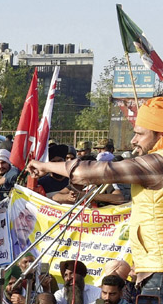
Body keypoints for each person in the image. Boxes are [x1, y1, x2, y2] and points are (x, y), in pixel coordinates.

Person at [29, 95, 163, 287]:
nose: (133, 140)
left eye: (140, 134)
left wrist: (47, 166)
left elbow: (96, 171)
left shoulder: (158, 163)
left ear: (160, 135)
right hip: (151, 268)